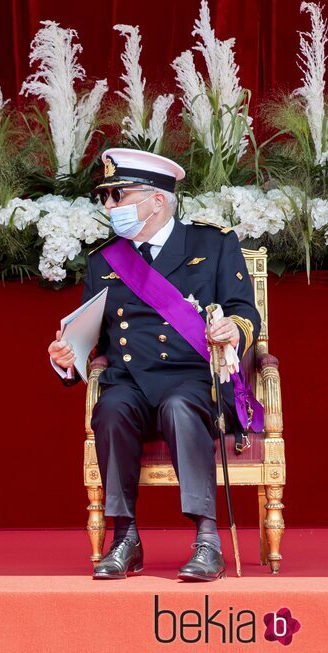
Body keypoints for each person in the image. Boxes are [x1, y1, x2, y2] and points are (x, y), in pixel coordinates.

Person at [47, 148, 262, 582]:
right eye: (105, 197)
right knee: (110, 409)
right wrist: (67, 358)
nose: (109, 207)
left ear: (157, 200)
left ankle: (207, 540)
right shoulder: (104, 261)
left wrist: (233, 332)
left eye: (117, 195)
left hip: (194, 381)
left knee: (181, 406)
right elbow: (91, 339)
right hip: (131, 379)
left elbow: (244, 312)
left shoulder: (214, 244)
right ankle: (125, 538)